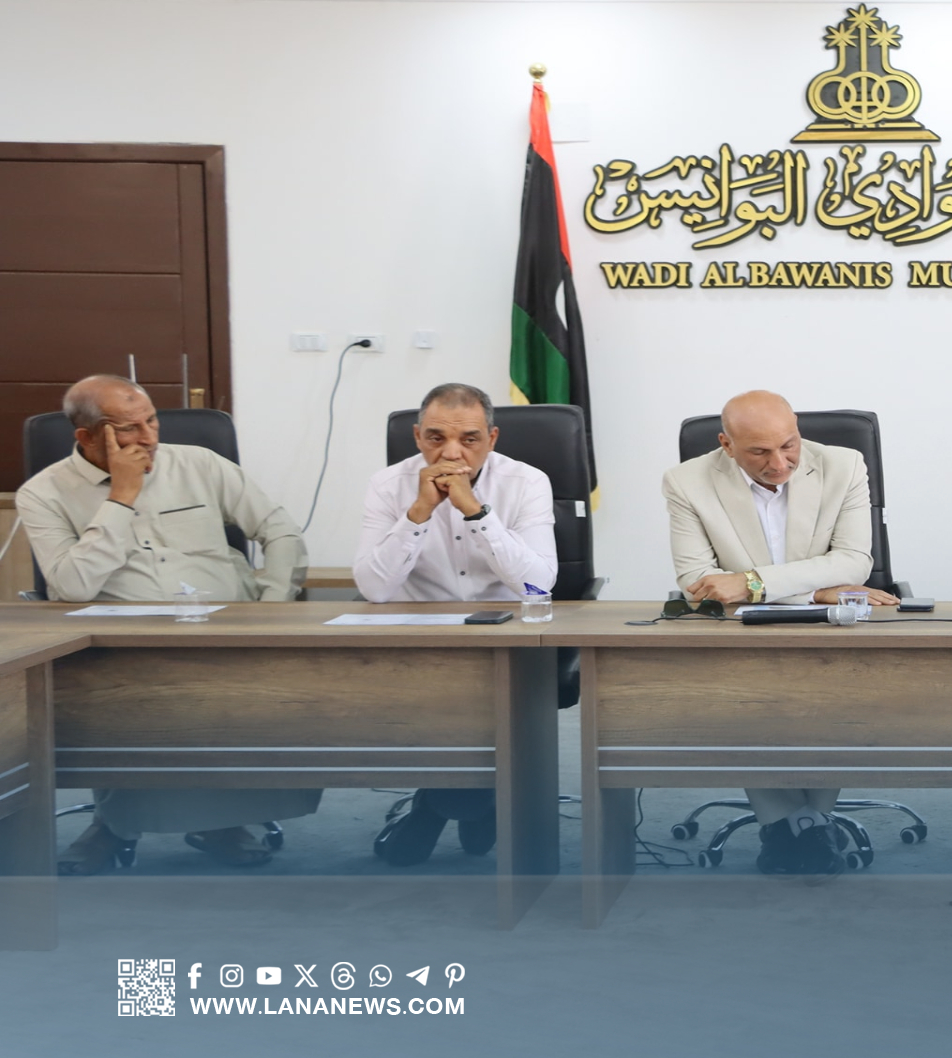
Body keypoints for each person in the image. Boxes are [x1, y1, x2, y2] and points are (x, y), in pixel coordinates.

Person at [16, 374, 317, 874]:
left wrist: (272, 606)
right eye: (128, 428)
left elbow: (280, 531)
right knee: (130, 701)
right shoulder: (43, 494)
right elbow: (72, 586)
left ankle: (224, 820)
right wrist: (121, 497)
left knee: (266, 696)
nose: (149, 437)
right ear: (87, 436)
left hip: (227, 629)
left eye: (152, 421)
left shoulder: (200, 464)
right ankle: (116, 823)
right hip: (123, 643)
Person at [662, 390, 896, 881]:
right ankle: (806, 826)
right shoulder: (686, 481)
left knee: (837, 695)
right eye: (760, 452)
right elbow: (698, 583)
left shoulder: (844, 466)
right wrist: (815, 590)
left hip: (829, 632)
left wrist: (751, 583)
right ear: (726, 445)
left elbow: (854, 561)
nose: (780, 463)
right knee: (746, 699)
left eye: (789, 445)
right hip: (740, 634)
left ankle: (790, 828)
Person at [352, 383, 557, 866]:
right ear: (417, 436)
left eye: (468, 439)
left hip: (508, 638)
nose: (450, 453)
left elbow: (537, 585)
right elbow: (374, 588)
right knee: (445, 690)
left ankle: (438, 806)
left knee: (487, 690)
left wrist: (474, 511)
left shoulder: (526, 482)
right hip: (421, 641)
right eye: (436, 438)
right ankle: (472, 803)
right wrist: (419, 512)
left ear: (492, 438)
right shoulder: (388, 485)